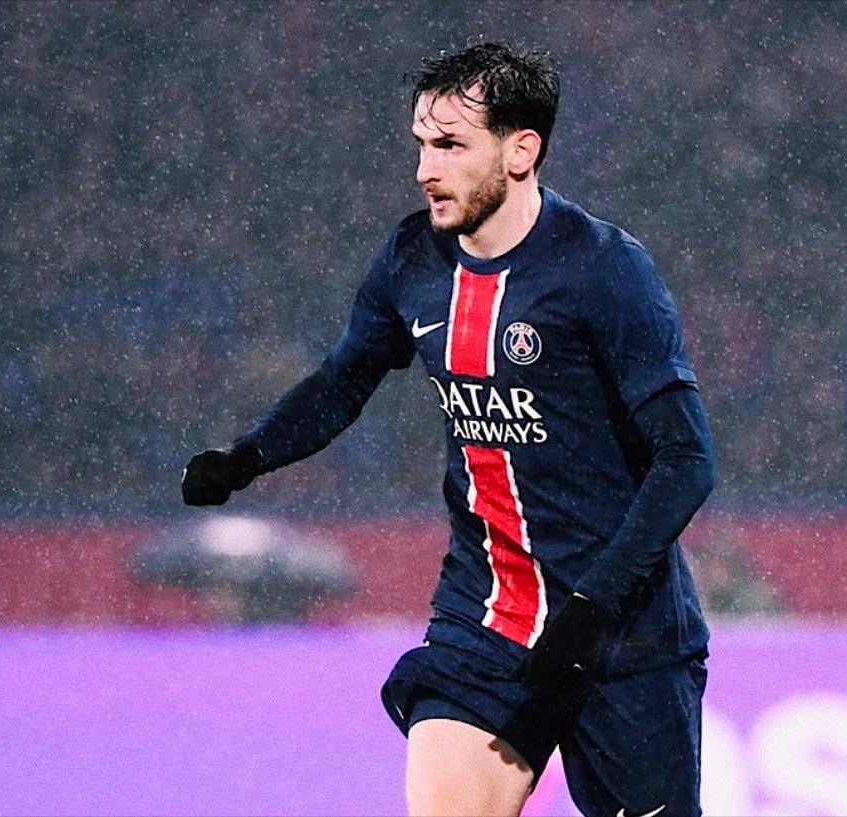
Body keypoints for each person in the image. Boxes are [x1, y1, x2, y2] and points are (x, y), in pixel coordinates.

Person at [183, 42, 716, 817]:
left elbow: (687, 458)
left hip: (623, 632)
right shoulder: (413, 259)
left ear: (521, 151)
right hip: (485, 615)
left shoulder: (603, 268)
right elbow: (344, 378)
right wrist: (249, 455)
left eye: (450, 145)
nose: (425, 169)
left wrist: (593, 605)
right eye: (421, 144)